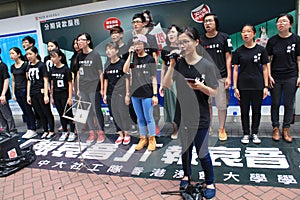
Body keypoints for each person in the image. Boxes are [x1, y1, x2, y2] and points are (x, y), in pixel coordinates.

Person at [163, 27, 218, 199]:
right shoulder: (178, 63)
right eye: (180, 42)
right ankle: (186, 175)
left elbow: (215, 92)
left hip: (200, 115)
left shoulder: (206, 65)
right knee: (185, 149)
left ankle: (210, 182)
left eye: (186, 41)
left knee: (202, 151)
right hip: (183, 114)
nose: (183, 45)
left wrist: (201, 87)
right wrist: (171, 66)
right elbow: (165, 84)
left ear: (196, 43)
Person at [266, 13, 300, 143]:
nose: (281, 24)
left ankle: (286, 128)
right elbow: (268, 59)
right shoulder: (272, 41)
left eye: (284, 22)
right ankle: (275, 127)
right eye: (279, 22)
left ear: (290, 24)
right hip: (275, 76)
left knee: (288, 103)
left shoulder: (296, 39)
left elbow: (298, 59)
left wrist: (299, 76)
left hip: (291, 76)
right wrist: (268, 75)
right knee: (275, 103)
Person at [233, 24, 269, 144]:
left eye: (248, 31)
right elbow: (236, 70)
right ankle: (245, 133)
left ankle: (254, 133)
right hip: (243, 86)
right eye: (243, 32)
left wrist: (266, 86)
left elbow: (265, 68)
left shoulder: (261, 50)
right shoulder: (238, 51)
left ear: (254, 34)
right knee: (244, 111)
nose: (246, 34)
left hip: (258, 85)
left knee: (256, 110)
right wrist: (235, 87)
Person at [200, 13, 233, 141]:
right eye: (205, 22)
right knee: (206, 104)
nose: (207, 24)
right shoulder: (201, 40)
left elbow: (228, 57)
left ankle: (221, 128)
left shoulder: (224, 38)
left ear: (215, 23)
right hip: (205, 78)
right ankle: (208, 127)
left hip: (221, 76)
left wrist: (229, 77)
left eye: (210, 21)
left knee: (221, 105)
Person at [123, 34, 158, 151]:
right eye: (135, 44)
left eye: (139, 44)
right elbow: (125, 70)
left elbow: (154, 78)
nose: (137, 46)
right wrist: (130, 55)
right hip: (135, 93)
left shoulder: (150, 59)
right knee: (140, 118)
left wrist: (155, 94)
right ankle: (143, 138)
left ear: (144, 44)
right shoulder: (133, 58)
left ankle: (152, 139)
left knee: (149, 117)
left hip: (147, 93)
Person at [129, 13, 160, 135]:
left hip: (148, 75)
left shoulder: (151, 38)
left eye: (138, 22)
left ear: (143, 23)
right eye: (133, 22)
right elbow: (128, 65)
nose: (135, 24)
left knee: (151, 108)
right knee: (140, 114)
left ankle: (154, 126)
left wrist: (153, 68)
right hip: (136, 82)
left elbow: (155, 56)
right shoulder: (131, 40)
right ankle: (143, 135)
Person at [76, 32, 105, 143]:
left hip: (94, 87)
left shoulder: (95, 54)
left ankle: (100, 132)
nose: (80, 42)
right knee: (86, 110)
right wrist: (78, 88)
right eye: (78, 40)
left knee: (96, 110)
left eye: (82, 40)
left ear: (88, 41)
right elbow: (78, 72)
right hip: (83, 88)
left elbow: (100, 73)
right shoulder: (79, 56)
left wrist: (102, 88)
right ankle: (92, 133)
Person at [103, 42, 131, 145]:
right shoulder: (107, 64)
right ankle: (120, 134)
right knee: (114, 115)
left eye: (111, 49)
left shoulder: (122, 63)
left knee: (123, 114)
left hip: (121, 93)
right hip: (111, 94)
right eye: (107, 49)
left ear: (117, 51)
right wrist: (105, 94)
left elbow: (127, 79)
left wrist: (127, 94)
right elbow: (105, 80)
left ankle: (127, 134)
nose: (108, 51)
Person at [26, 46, 55, 139]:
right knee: (39, 112)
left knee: (47, 111)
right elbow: (29, 81)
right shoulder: (29, 66)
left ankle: (51, 130)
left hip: (41, 92)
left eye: (30, 54)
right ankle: (45, 130)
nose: (28, 56)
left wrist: (46, 94)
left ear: (36, 54)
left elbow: (46, 80)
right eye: (27, 54)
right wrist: (28, 95)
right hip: (33, 92)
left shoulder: (41, 65)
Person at [160, 24, 182, 139]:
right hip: (170, 81)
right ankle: (175, 129)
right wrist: (162, 83)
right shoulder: (164, 50)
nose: (171, 34)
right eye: (169, 33)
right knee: (172, 106)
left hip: (182, 81)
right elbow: (163, 67)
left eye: (173, 32)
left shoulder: (183, 47)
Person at [50, 49, 76, 142]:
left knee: (68, 114)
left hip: (65, 94)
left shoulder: (65, 69)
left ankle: (72, 132)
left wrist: (70, 97)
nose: (52, 59)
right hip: (56, 95)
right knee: (61, 114)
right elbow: (52, 84)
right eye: (51, 57)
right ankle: (65, 131)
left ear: (60, 57)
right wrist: (52, 97)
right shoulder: (52, 69)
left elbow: (70, 84)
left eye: (54, 56)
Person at [10, 47, 36, 138]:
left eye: (13, 53)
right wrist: (13, 93)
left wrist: (28, 93)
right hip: (17, 91)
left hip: (25, 89)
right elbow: (13, 80)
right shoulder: (12, 67)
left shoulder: (25, 65)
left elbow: (28, 80)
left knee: (28, 110)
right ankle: (29, 128)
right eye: (10, 54)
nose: (11, 56)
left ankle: (32, 128)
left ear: (19, 54)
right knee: (24, 110)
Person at [0, 57, 16, 134]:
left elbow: (6, 80)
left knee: (6, 114)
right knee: (0, 116)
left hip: (2, 94)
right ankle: (5, 131)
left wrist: (3, 94)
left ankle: (12, 131)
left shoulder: (2, 65)